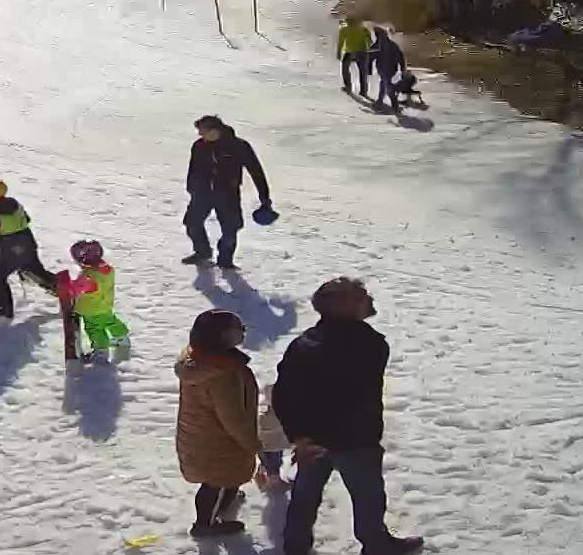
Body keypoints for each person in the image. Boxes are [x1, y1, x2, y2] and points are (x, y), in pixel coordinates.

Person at [274, 278, 421, 555]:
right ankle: (376, 544)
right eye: (361, 295)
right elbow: (351, 399)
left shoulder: (302, 344)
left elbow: (283, 396)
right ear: (344, 306)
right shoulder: (371, 345)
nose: (369, 298)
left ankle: (295, 547)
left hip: (312, 441)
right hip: (355, 440)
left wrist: (300, 438)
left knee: (304, 498)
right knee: (368, 498)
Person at [175, 308, 262, 538]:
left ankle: (218, 509)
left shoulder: (198, 359)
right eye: (238, 329)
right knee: (219, 482)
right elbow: (232, 418)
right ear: (221, 336)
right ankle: (206, 524)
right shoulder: (223, 374)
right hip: (222, 442)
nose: (243, 333)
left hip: (202, 435)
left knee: (215, 481)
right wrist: (252, 443)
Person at [184, 116, 273, 269]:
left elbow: (256, 172)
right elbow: (193, 169)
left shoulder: (239, 146)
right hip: (202, 192)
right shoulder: (199, 146)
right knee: (192, 223)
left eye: (202, 132)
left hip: (227, 194)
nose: (200, 135)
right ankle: (202, 251)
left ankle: (225, 260)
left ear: (214, 130)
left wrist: (264, 198)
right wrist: (192, 188)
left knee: (230, 228)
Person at [0, 178, 57, 317]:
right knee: (37, 271)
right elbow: (27, 220)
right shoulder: (14, 203)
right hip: (27, 243)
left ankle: (3, 309)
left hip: (10, 250)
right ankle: (62, 289)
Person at [58, 240, 130, 359]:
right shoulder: (107, 270)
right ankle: (122, 340)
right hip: (104, 306)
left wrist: (66, 285)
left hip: (91, 310)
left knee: (95, 330)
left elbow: (75, 290)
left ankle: (101, 352)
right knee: (110, 322)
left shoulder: (89, 277)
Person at [369, 27, 406, 113]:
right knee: (384, 83)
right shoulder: (385, 44)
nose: (378, 37)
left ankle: (393, 105)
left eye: (378, 35)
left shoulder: (389, 45)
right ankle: (381, 102)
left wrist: (402, 69)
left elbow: (400, 57)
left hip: (389, 69)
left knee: (386, 84)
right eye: (377, 35)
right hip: (384, 69)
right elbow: (370, 56)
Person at [337, 18, 374, 97]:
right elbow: (370, 42)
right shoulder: (364, 29)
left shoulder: (344, 30)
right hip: (362, 52)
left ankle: (348, 87)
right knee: (363, 72)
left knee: (345, 69)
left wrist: (338, 53)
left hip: (350, 52)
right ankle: (363, 91)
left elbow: (340, 43)